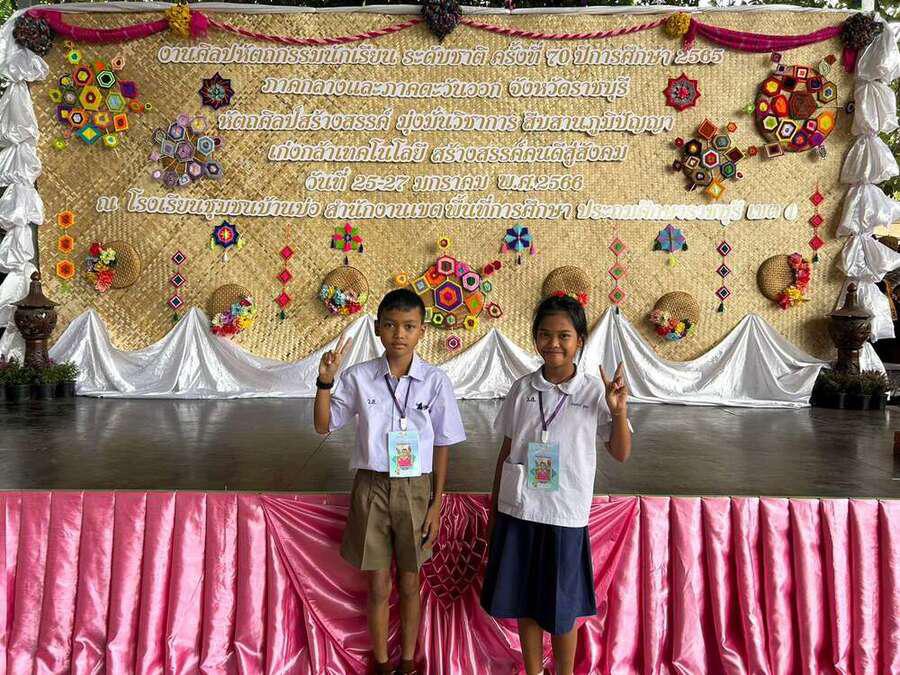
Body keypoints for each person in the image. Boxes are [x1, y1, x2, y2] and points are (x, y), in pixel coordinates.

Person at [314, 288, 466, 675]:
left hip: (416, 488)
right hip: (372, 487)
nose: (400, 334)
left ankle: (408, 661)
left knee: (410, 582)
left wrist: (436, 504)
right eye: (391, 325)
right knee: (379, 585)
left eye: (409, 326)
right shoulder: (359, 377)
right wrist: (325, 383)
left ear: (421, 332)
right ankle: (382, 663)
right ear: (378, 329)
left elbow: (443, 445)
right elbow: (323, 425)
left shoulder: (435, 381)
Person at [480, 294, 633, 675]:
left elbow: (620, 452)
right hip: (520, 509)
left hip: (564, 514)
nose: (553, 344)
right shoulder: (522, 389)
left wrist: (618, 412)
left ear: (580, 340)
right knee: (527, 602)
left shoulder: (594, 392)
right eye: (545, 334)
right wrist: (495, 508)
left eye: (564, 335)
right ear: (535, 337)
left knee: (562, 609)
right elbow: (507, 450)